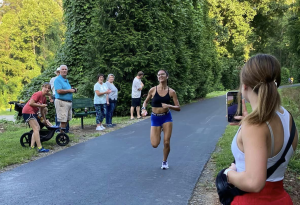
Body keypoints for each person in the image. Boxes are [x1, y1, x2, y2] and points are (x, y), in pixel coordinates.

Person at [224, 54, 298, 204]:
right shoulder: (287, 116)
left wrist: (228, 174)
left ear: (245, 85)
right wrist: (247, 124)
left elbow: (254, 183)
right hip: (281, 199)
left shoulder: (255, 125)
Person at [141, 70, 180, 169]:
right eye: (158, 75)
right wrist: (143, 109)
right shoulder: (153, 90)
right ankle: (159, 129)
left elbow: (178, 107)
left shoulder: (171, 92)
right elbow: (145, 102)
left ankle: (164, 161)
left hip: (166, 117)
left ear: (167, 76)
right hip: (155, 118)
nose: (160, 76)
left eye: (162, 74)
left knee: (166, 141)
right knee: (154, 144)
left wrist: (168, 105)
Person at [22, 82, 52, 152]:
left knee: (37, 128)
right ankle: (39, 148)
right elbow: (31, 103)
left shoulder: (44, 98)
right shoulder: (38, 94)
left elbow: (42, 110)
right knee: (36, 128)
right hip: (28, 111)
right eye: (46, 87)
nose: (47, 89)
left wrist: (44, 120)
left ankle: (32, 146)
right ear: (42, 87)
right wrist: (41, 106)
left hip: (32, 112)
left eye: (49, 88)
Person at [54, 65, 76, 133]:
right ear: (59, 71)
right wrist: (69, 90)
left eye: (65, 69)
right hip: (62, 102)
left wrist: (73, 90)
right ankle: (61, 136)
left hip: (68, 102)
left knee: (67, 119)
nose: (64, 70)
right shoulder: (57, 80)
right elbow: (59, 91)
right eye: (62, 69)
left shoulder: (66, 80)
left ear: (67, 71)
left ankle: (62, 133)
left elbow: (67, 89)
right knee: (63, 120)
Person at [50, 67, 70, 132]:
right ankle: (59, 129)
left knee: (66, 116)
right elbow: (56, 89)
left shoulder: (65, 79)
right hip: (56, 96)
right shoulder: (55, 79)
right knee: (59, 115)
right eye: (58, 72)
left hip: (66, 99)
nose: (60, 73)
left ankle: (65, 129)